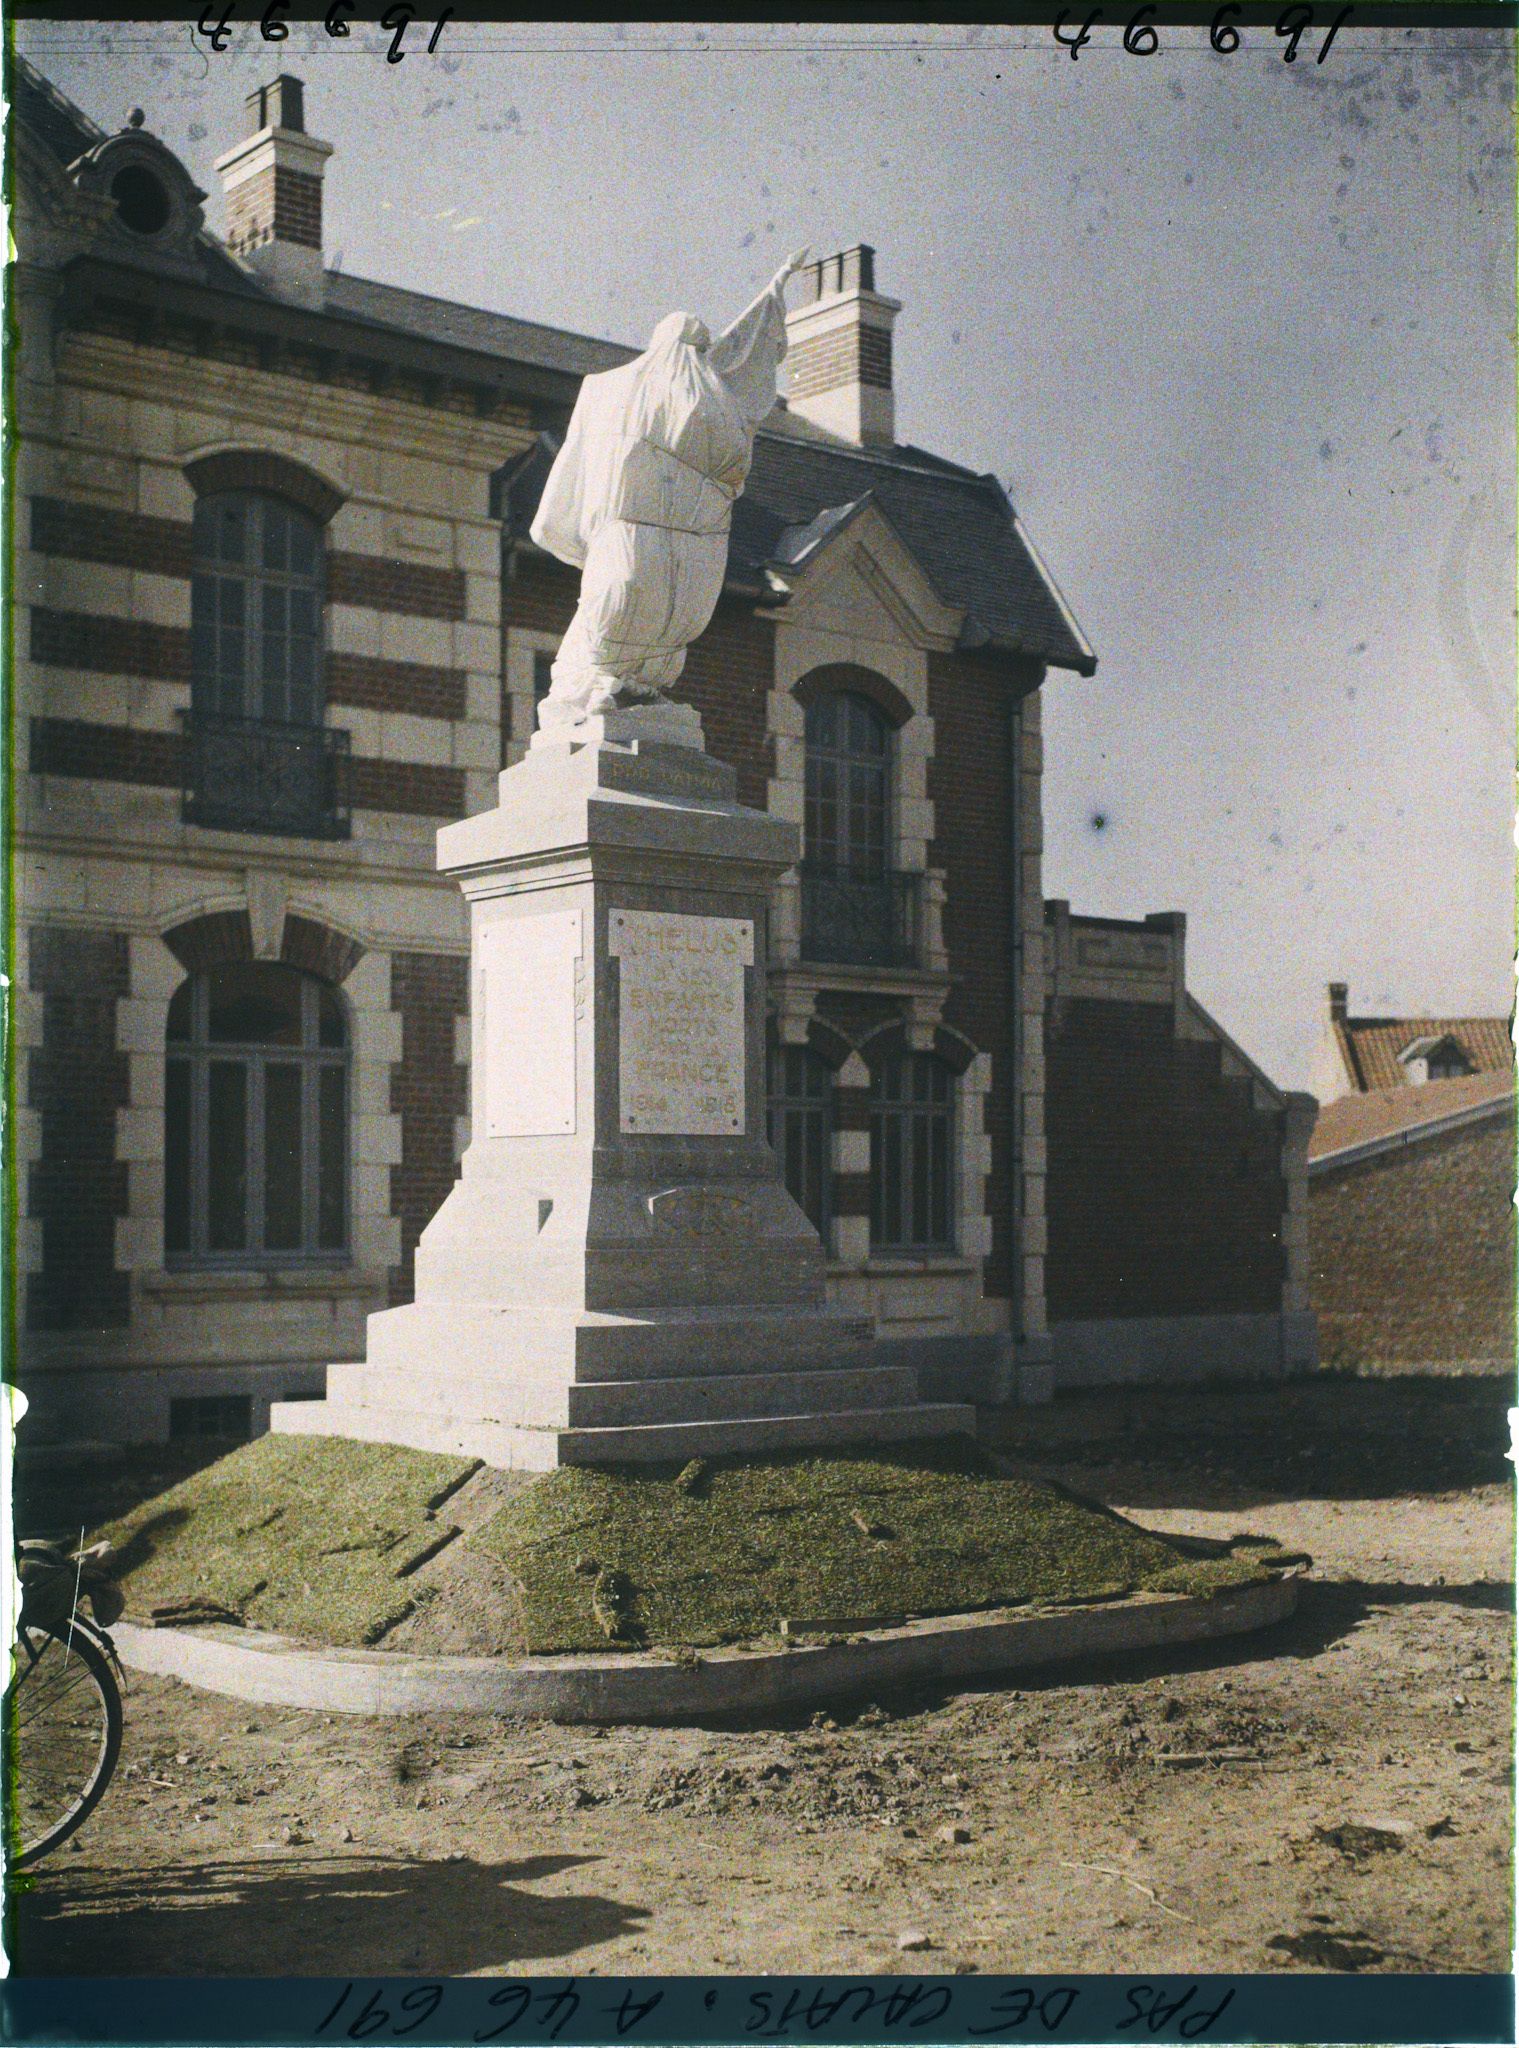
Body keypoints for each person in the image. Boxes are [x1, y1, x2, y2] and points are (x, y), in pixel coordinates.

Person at [530, 249, 811, 726]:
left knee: (660, 614)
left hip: (679, 536)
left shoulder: (704, 401)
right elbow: (578, 454)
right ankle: (598, 685)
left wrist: (776, 288)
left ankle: (635, 687)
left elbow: (740, 353)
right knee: (623, 602)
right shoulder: (631, 390)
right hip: (638, 530)